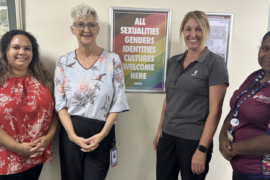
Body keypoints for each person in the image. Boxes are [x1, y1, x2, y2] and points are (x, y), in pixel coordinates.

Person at [54, 4, 129, 180]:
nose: (86, 29)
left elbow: (118, 100)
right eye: (80, 24)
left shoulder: (112, 60)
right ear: (73, 29)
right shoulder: (63, 62)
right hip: (71, 132)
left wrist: (102, 135)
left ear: (98, 29)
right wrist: (73, 136)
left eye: (91, 24)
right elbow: (59, 102)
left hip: (101, 132)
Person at [153, 10, 229, 180]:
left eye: (198, 29)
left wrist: (202, 149)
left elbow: (215, 111)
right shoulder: (174, 61)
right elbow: (169, 99)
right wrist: (160, 132)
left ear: (206, 30)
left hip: (193, 140)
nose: (192, 34)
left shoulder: (215, 63)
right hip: (168, 136)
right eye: (188, 29)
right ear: (183, 32)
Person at [0, 30, 59, 180]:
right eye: (16, 47)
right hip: (7, 157)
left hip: (36, 155)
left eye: (27, 48)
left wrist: (48, 138)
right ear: (5, 50)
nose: (22, 52)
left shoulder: (43, 78)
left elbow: (54, 112)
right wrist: (18, 148)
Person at [219, 31, 270, 180]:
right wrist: (222, 137)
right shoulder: (255, 76)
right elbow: (236, 108)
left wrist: (232, 149)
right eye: (265, 48)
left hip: (261, 172)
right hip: (241, 167)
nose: (268, 54)